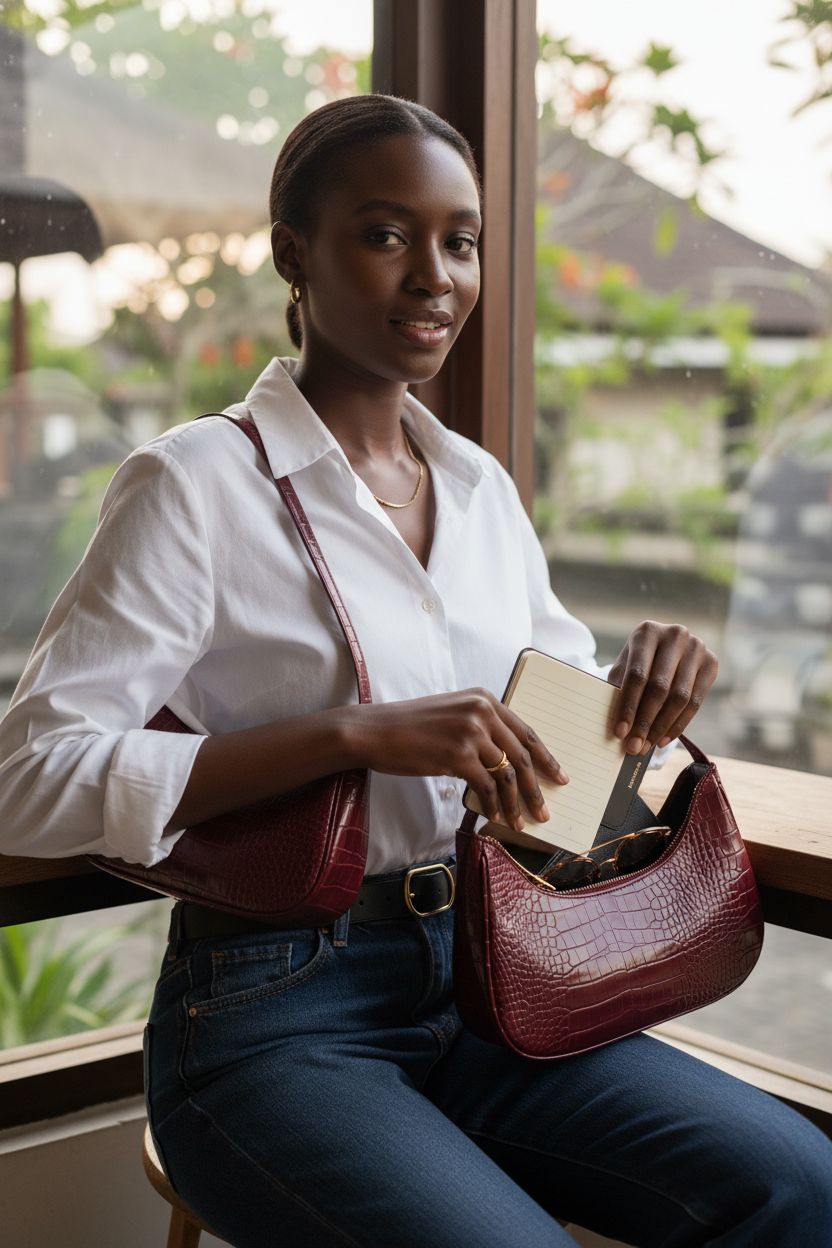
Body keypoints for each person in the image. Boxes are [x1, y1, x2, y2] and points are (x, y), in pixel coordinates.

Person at [0, 94, 830, 1248]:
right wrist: (354, 736)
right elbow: (32, 776)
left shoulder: (482, 490)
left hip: (501, 988)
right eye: (386, 235)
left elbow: (567, 785)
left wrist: (645, 704)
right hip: (273, 1015)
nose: (435, 274)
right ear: (294, 255)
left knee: (802, 1184)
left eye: (461, 240)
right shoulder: (192, 486)